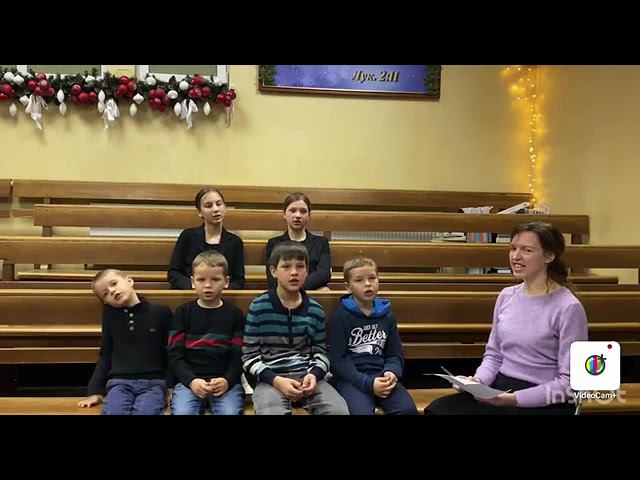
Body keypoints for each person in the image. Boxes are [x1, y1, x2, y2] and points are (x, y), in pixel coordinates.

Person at [425, 221, 589, 415]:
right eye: (513, 248)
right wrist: (477, 381)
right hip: (502, 387)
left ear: (549, 256)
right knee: (438, 410)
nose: (516, 256)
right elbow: (494, 355)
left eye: (527, 250)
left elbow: (570, 383)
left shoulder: (569, 307)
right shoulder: (506, 296)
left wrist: (514, 399)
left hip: (543, 397)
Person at [243, 241, 349, 415]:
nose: (294, 272)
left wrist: (314, 375)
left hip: (308, 378)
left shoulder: (315, 310)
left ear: (307, 271)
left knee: (338, 411)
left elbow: (321, 353)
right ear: (273, 271)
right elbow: (249, 356)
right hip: (271, 380)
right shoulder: (259, 307)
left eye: (300, 266)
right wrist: (276, 380)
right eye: (286, 266)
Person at [329, 257, 418, 415]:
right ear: (348, 287)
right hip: (352, 379)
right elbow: (339, 361)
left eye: (372, 278)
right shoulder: (340, 317)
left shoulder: (387, 316)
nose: (367, 284)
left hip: (382, 376)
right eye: (359, 280)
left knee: (407, 410)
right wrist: (368, 383)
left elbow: (395, 354)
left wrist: (391, 372)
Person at [77, 269, 172, 415]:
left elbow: (172, 351)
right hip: (119, 382)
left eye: (114, 283)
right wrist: (94, 391)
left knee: (146, 412)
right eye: (105, 293)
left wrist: (171, 385)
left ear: (129, 280)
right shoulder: (109, 316)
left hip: (153, 382)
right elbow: (105, 354)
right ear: (105, 301)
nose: (112, 291)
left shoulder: (161, 312)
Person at [168, 251, 246, 415]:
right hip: (190, 382)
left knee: (230, 412)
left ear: (226, 281)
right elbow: (175, 355)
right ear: (192, 282)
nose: (208, 285)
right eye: (201, 280)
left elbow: (239, 355)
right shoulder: (183, 313)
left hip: (224, 382)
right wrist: (191, 381)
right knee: (183, 412)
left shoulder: (235, 315)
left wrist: (227, 380)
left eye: (215, 279)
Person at [168, 187, 245, 290]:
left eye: (219, 204)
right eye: (209, 206)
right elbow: (174, 273)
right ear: (199, 212)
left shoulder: (235, 242)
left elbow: (238, 280)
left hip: (222, 295)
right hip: (191, 292)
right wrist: (196, 287)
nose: (216, 209)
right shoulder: (188, 236)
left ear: (225, 207)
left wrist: (218, 289)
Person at [265, 193, 331, 291]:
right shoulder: (274, 243)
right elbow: (272, 278)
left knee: (324, 291)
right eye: (292, 211)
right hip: (284, 291)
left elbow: (323, 274)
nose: (298, 215)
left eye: (303, 211)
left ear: (309, 215)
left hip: (312, 290)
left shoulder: (321, 242)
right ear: (284, 214)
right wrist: (293, 288)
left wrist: (296, 287)